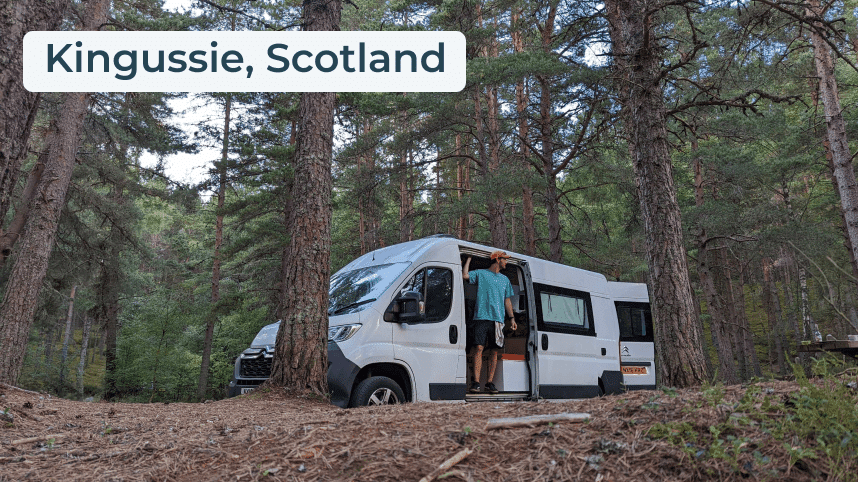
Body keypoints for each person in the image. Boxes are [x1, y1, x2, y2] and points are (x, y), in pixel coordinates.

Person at [462, 251, 517, 394]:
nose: (506, 262)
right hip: (481, 317)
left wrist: (512, 319)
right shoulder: (481, 273)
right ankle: (476, 383)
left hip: (498, 320)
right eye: (505, 259)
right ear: (497, 259)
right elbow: (465, 276)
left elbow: (507, 301)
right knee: (478, 349)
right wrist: (468, 259)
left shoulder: (505, 279)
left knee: (494, 351)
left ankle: (489, 383)